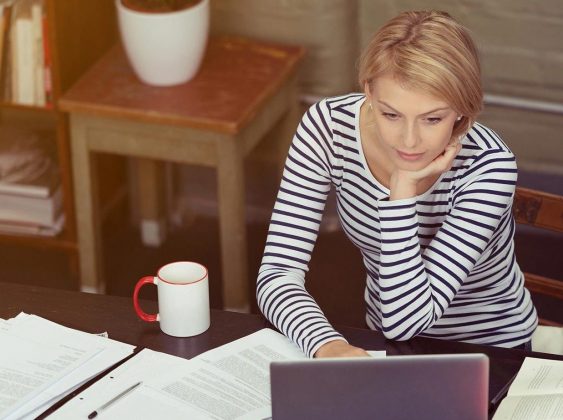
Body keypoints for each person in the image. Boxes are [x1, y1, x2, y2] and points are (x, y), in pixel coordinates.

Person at [256, 10, 538, 358]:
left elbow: (406, 320)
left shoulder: (489, 166)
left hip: (489, 350)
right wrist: (326, 345)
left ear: (462, 111)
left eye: (432, 119)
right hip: (386, 339)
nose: (409, 141)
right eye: (390, 114)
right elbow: (278, 273)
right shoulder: (328, 128)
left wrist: (401, 194)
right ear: (369, 92)